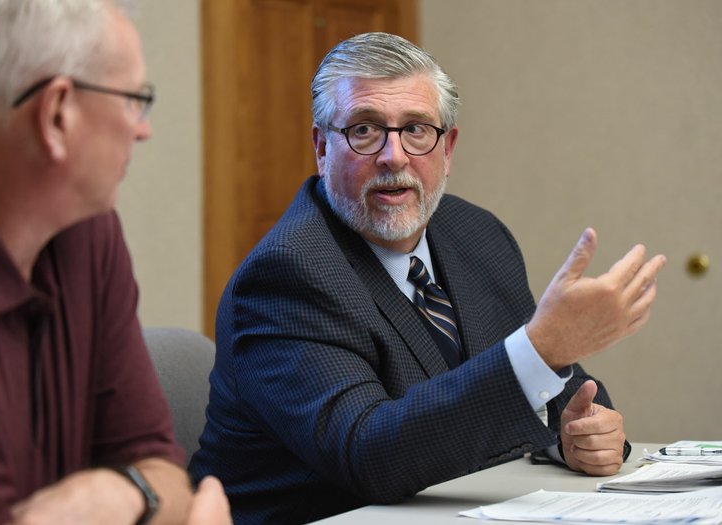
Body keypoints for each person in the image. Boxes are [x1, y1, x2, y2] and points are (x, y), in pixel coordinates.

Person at [189, 32, 667, 524]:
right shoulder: (285, 276)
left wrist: (575, 436)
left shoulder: (476, 234)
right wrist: (542, 349)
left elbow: (547, 390)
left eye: (416, 129)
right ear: (321, 147)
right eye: (365, 130)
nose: (394, 156)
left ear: (448, 148)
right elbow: (370, 454)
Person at [0, 1, 230, 524]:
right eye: (134, 100)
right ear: (57, 114)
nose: (142, 130)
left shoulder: (85, 229)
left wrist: (118, 496)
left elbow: (162, 472)